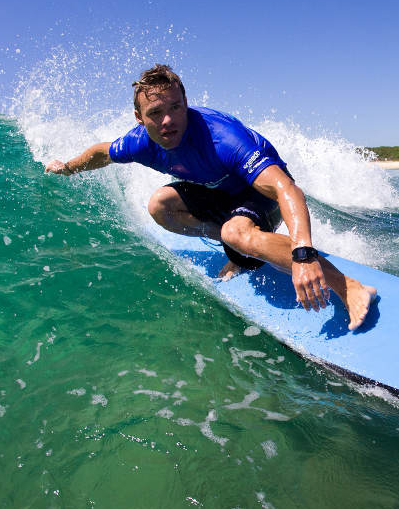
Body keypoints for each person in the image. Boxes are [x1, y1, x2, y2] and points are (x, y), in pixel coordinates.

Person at [45, 65, 376, 330]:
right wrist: (69, 167)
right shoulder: (139, 143)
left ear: (186, 103)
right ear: (139, 118)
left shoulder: (221, 139)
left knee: (236, 232)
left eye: (176, 107)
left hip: (260, 193)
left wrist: (303, 254)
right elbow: (102, 152)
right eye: (156, 112)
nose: (168, 120)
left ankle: (348, 286)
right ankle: (239, 247)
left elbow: (285, 189)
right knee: (160, 206)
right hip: (220, 193)